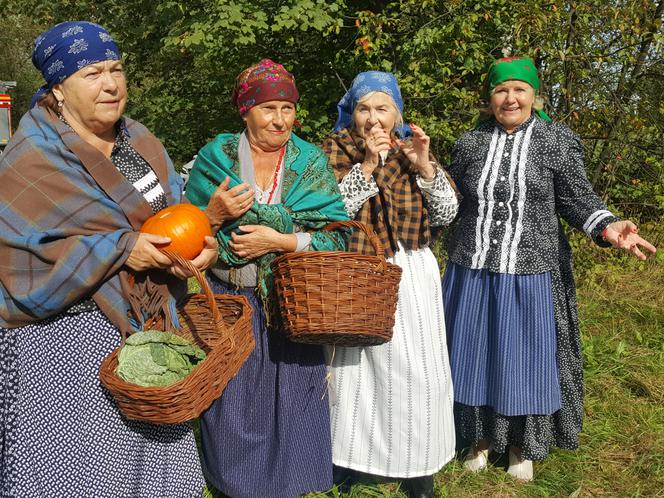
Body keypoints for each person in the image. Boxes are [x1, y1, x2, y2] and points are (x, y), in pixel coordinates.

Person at [0, 21, 218, 496]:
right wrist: (121, 250)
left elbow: (173, 214)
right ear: (58, 88)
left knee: (154, 471)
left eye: (116, 69)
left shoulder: (139, 142)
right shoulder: (29, 160)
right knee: (76, 475)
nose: (111, 84)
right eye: (92, 73)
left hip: (147, 331)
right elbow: (23, 258)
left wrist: (198, 247)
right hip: (62, 344)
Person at [443, 56, 657, 482]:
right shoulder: (468, 144)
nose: (510, 98)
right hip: (473, 266)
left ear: (534, 96)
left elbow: (578, 199)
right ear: (489, 99)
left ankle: (523, 445)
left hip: (532, 269)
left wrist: (610, 226)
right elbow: (449, 202)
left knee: (526, 359)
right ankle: (478, 438)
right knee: (472, 355)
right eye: (501, 90)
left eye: (520, 89)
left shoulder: (556, 140)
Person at [185, 59, 350, 498]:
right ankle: (236, 488)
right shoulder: (215, 158)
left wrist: (280, 240)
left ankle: (289, 487)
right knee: (234, 402)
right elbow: (186, 231)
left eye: (287, 109)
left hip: (293, 304)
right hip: (228, 302)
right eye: (268, 108)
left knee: (293, 401)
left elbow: (340, 239)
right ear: (245, 111)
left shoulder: (310, 162)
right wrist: (215, 219)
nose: (280, 120)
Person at [321, 71, 459, 498]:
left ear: (397, 113)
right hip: (359, 268)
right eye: (364, 108)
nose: (374, 118)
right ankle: (348, 463)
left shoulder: (412, 150)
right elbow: (330, 211)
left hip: (412, 269)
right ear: (352, 113)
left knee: (418, 372)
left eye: (383, 108)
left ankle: (419, 468)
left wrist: (425, 167)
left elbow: (447, 213)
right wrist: (367, 166)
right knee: (354, 372)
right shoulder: (335, 150)